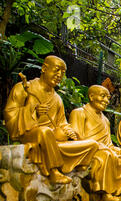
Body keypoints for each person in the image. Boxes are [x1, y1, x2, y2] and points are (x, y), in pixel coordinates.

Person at [4, 55, 99, 184]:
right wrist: (32, 112)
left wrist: (69, 131)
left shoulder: (57, 99)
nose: (59, 75)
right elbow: (10, 115)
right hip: (31, 133)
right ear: (44, 68)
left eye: (63, 72)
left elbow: (62, 123)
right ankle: (54, 171)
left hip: (53, 140)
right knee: (44, 131)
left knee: (92, 144)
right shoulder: (24, 88)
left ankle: (79, 164)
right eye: (56, 70)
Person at [69, 85, 121, 201]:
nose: (106, 100)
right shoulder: (79, 113)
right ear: (91, 96)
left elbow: (109, 145)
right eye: (103, 96)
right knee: (106, 155)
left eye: (108, 98)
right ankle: (105, 194)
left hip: (106, 150)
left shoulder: (105, 120)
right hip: (89, 151)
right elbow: (77, 139)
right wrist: (98, 146)